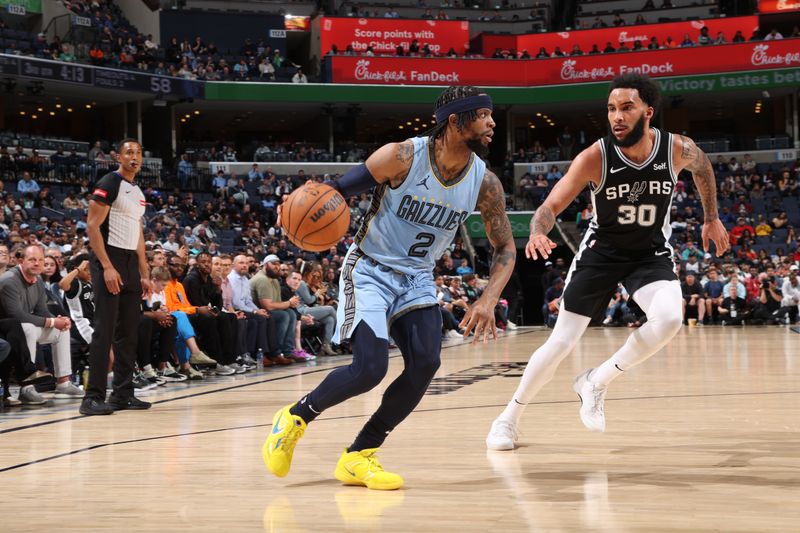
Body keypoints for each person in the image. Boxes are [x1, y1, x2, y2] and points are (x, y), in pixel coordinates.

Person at [264, 85, 516, 490]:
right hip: (370, 269)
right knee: (370, 369)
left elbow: (505, 247)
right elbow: (335, 193)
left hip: (417, 275)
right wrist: (293, 206)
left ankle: (359, 455)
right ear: (455, 121)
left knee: (425, 364)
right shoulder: (401, 156)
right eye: (483, 115)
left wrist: (488, 298)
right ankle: (294, 418)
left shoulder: (485, 183)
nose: (492, 122)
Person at [486, 73, 729, 450]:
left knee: (669, 318)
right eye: (612, 108)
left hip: (650, 252)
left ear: (648, 112)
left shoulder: (677, 149)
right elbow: (550, 206)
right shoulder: (595, 157)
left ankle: (596, 381)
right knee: (561, 341)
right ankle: (508, 419)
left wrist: (711, 217)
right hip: (602, 254)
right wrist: (537, 231)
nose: (617, 116)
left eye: (627, 108)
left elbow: (704, 168)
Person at [81, 139, 153, 416]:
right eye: (129, 152)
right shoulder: (109, 182)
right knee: (105, 330)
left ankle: (123, 394)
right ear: (118, 157)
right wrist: (107, 266)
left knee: (128, 332)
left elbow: (137, 231)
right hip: (108, 259)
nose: (134, 157)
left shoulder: (136, 191)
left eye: (138, 152)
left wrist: (144, 271)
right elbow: (92, 225)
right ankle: (92, 397)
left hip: (130, 262)